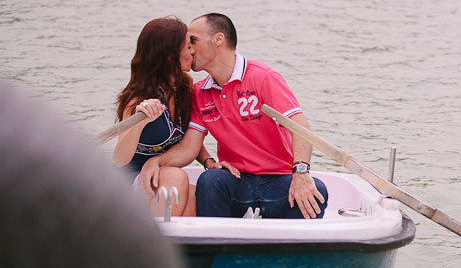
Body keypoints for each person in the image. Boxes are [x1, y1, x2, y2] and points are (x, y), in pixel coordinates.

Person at [137, 13, 328, 219]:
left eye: (193, 40)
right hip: (237, 182)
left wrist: (300, 173)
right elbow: (189, 147)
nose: (189, 48)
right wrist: (156, 162)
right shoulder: (200, 92)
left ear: (218, 39)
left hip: (277, 180)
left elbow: (300, 128)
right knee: (210, 181)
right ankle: (216, 246)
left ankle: (291, 245)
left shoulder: (263, 77)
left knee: (318, 191)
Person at [113, 17, 214, 216]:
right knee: (176, 179)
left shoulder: (184, 85)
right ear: (170, 57)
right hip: (131, 182)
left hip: (160, 174)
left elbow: (188, 136)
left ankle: (180, 246)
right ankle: (148, 242)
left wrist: (208, 162)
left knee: (196, 195)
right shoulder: (138, 99)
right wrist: (140, 121)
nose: (192, 51)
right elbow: (119, 159)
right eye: (187, 47)